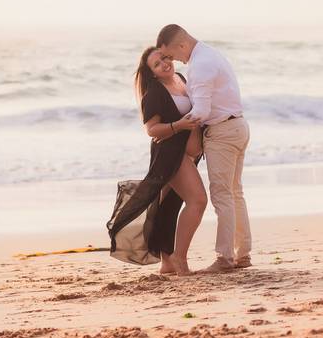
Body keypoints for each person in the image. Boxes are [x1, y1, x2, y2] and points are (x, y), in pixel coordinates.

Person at [157, 24, 252, 273]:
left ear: (181, 45)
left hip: (222, 133)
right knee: (234, 192)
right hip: (237, 126)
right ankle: (242, 253)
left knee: (222, 196)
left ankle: (225, 258)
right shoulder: (211, 53)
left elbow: (201, 111)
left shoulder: (199, 65)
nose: (173, 60)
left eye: (171, 54)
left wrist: (175, 127)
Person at [106, 46, 207, 276]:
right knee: (198, 200)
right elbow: (152, 130)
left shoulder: (181, 79)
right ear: (152, 72)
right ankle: (180, 259)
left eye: (164, 58)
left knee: (168, 206)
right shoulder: (153, 94)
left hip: (188, 155)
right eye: (157, 64)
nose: (164, 64)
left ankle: (167, 263)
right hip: (170, 154)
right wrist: (179, 125)